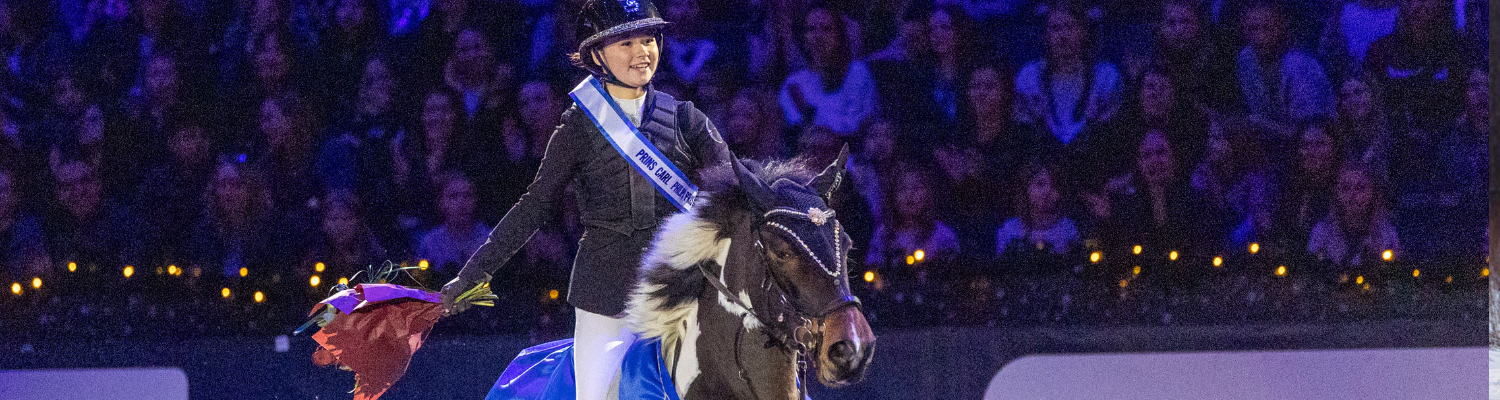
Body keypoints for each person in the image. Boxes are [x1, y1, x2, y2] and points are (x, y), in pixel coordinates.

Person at [438, 1, 732, 399]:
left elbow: (737, 186)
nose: (642, 52)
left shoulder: (687, 119)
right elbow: (533, 208)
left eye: (648, 40)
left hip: (679, 290)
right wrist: (473, 273)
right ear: (596, 55)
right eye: (626, 43)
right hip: (606, 296)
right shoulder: (577, 127)